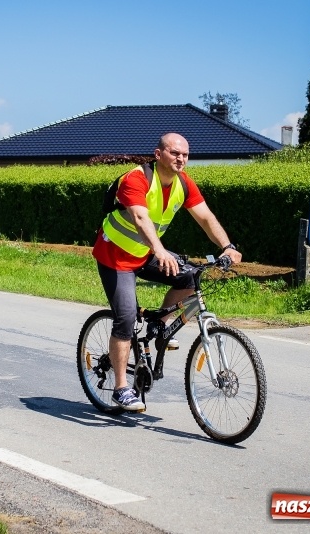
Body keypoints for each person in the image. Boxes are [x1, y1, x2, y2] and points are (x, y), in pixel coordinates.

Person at [92, 132, 242, 411]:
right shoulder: (135, 179)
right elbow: (139, 217)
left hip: (146, 252)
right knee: (125, 318)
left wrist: (227, 246)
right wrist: (160, 251)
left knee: (191, 276)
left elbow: (206, 217)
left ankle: (161, 326)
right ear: (159, 154)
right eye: (175, 153)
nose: (181, 159)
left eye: (185, 154)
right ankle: (122, 388)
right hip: (116, 256)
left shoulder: (183, 184)